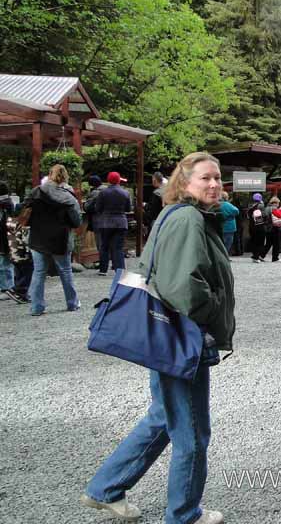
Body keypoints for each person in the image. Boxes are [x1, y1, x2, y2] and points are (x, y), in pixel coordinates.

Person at [81, 152, 234, 524]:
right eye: (205, 179)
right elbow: (184, 288)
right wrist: (213, 306)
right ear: (185, 183)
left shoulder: (177, 214)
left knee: (164, 417)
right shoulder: (189, 220)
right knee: (192, 433)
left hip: (166, 336)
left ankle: (105, 489)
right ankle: (184, 515)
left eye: (217, 177)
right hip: (183, 338)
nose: (214, 184)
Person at [23, 164, 81, 315]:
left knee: (39, 272)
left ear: (50, 175)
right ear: (65, 176)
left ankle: (36, 307)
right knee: (66, 271)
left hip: (38, 237)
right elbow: (76, 221)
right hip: (60, 239)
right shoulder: (69, 196)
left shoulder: (36, 191)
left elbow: (23, 209)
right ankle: (72, 303)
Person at [95, 172, 132, 276]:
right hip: (120, 222)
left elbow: (98, 208)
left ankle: (103, 270)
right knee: (118, 247)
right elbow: (128, 209)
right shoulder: (125, 193)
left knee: (104, 246)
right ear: (119, 180)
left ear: (108, 180)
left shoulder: (103, 193)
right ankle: (119, 269)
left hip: (105, 222)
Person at [83, 175, 107, 253]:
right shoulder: (108, 190)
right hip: (110, 220)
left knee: (100, 244)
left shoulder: (95, 192)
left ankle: (103, 263)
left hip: (98, 220)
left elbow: (87, 207)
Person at [0, 181, 15, 296]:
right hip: (8, 238)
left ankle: (6, 288)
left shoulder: (4, 204)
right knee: (6, 264)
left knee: (4, 264)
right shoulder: (9, 203)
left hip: (4, 239)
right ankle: (8, 287)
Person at [263, 196, 281, 262]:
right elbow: (280, 216)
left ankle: (261, 255)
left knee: (268, 243)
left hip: (267, 228)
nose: (278, 204)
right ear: (275, 202)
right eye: (278, 203)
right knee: (276, 243)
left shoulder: (266, 208)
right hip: (274, 227)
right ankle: (275, 258)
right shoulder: (274, 208)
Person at [247, 193, 267, 262]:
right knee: (260, 242)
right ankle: (256, 256)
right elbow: (265, 215)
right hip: (259, 226)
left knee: (254, 241)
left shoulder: (250, 206)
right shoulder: (261, 206)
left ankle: (255, 255)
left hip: (251, 226)